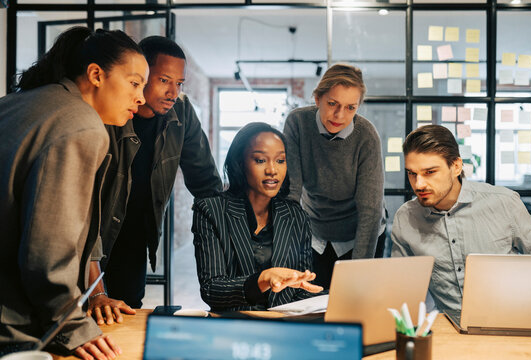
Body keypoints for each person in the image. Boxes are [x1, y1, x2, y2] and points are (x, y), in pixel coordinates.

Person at [0, 27, 148, 359]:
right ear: (96, 74)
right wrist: (71, 324)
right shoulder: (82, 125)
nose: (141, 97)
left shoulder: (16, 103)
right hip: (13, 329)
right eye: (135, 83)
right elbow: (47, 249)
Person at [87, 36, 222, 322]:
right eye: (164, 80)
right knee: (84, 315)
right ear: (142, 75)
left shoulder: (181, 111)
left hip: (136, 233)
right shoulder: (108, 111)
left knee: (125, 315)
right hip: (91, 234)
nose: (173, 92)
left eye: (180, 83)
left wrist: (226, 237)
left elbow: (206, 182)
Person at [391, 125, 531, 315]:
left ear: (456, 166)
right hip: (449, 329)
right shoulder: (406, 218)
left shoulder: (505, 203)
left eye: (430, 172)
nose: (419, 184)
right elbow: (402, 290)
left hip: (508, 321)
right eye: (412, 173)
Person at [192, 122, 324, 311]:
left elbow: (300, 288)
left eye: (280, 160)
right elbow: (212, 290)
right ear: (240, 163)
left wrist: (329, 299)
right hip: (234, 327)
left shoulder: (296, 216)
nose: (272, 170)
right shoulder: (210, 210)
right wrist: (262, 280)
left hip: (282, 327)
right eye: (261, 160)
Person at [283, 63, 385, 289]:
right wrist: (285, 256)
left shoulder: (366, 136)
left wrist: (359, 275)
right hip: (316, 230)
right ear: (318, 98)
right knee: (313, 303)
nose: (340, 115)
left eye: (351, 108)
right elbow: (291, 193)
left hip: (359, 230)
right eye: (332, 104)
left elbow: (370, 210)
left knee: (352, 300)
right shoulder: (297, 123)